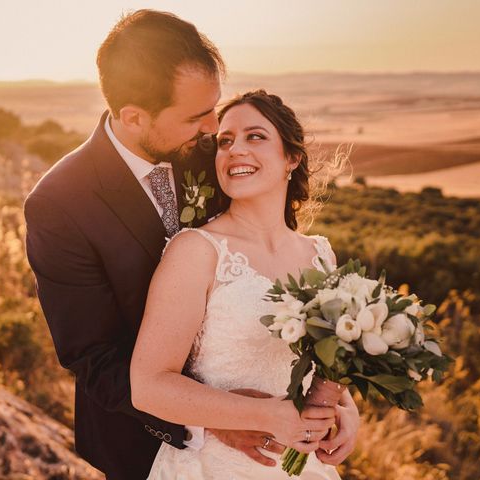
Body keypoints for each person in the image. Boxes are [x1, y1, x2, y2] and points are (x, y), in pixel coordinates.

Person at [25, 9, 358, 480]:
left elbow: (275, 266)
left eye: (214, 108)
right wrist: (215, 418)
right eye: (197, 116)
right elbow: (92, 356)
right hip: (153, 446)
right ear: (135, 118)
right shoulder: (60, 204)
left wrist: (338, 403)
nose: (212, 129)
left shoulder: (219, 154)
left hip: (282, 444)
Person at [130, 90, 359, 479]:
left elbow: (323, 362)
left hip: (306, 467)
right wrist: (267, 416)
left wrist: (346, 410)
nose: (235, 150)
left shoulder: (321, 255)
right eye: (225, 141)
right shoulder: (196, 251)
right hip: (214, 467)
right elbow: (148, 387)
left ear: (292, 157)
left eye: (255, 136)